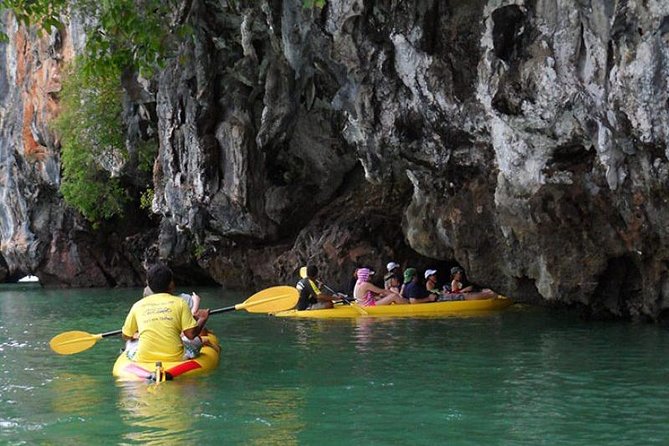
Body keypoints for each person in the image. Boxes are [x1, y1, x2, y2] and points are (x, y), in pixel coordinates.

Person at [122, 264, 210, 362]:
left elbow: (126, 335)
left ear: (149, 285)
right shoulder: (181, 303)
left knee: (130, 343)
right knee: (197, 340)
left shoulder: (137, 305)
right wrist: (203, 319)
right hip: (176, 358)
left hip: (144, 358)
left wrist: (136, 335)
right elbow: (191, 335)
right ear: (171, 284)